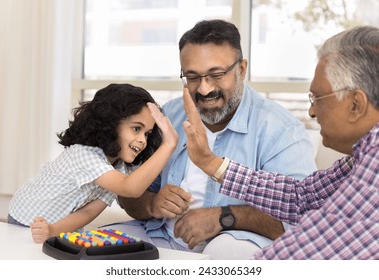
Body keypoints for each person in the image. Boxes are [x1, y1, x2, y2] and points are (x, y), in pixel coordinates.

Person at [108, 20, 317, 259]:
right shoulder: (169, 116)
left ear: (241, 69)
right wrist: (151, 204)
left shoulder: (281, 130)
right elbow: (127, 192)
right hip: (160, 239)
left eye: (216, 75)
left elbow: (305, 220)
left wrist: (224, 217)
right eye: (193, 77)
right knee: (89, 250)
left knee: (225, 251)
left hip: (232, 248)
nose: (205, 89)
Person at [182, 26, 379, 259]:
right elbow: (300, 198)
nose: (312, 111)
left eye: (317, 98)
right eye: (193, 77)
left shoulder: (374, 168)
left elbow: (297, 257)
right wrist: (211, 163)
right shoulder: (362, 155)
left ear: (356, 104)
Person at [8, 83, 178, 243]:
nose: (142, 140)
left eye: (147, 134)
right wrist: (169, 144)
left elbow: (88, 212)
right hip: (27, 217)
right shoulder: (84, 155)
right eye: (136, 129)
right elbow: (130, 188)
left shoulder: (119, 169)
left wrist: (53, 230)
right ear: (111, 124)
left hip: (53, 225)